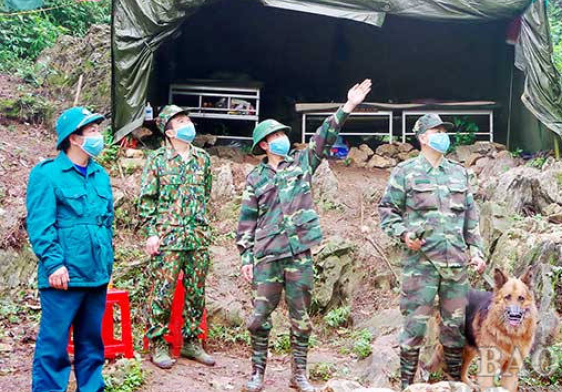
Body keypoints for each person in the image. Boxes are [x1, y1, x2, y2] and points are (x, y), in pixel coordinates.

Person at [236, 79, 372, 392]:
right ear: (264, 146)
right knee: (259, 318)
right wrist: (246, 256)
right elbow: (246, 220)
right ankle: (257, 374)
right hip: (268, 256)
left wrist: (348, 105)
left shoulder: (302, 163)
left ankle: (299, 375)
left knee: (301, 320)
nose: (282, 138)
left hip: (299, 255)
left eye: (283, 133)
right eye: (275, 136)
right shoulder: (255, 178)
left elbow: (325, 137)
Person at [377, 113, 486, 389]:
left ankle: (453, 382)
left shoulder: (459, 173)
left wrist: (476, 250)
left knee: (455, 328)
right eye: (436, 130)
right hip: (420, 264)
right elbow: (387, 210)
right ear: (423, 137)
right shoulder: (405, 172)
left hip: (456, 264)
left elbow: (470, 216)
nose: (443, 135)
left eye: (444, 130)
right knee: (414, 328)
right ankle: (406, 385)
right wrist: (404, 234)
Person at [26, 106, 114, 392]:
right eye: (92, 131)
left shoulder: (100, 174)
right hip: (62, 277)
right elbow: (40, 225)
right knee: (54, 345)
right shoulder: (48, 174)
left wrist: (106, 266)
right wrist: (53, 264)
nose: (98, 136)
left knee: (92, 344)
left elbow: (106, 223)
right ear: (74, 138)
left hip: (95, 275)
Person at [138, 105, 215, 369]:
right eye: (180, 121)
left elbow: (205, 194)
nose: (187, 124)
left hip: (197, 237)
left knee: (196, 292)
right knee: (163, 293)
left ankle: (192, 342)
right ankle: (159, 344)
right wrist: (152, 233)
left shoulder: (203, 159)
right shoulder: (157, 160)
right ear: (169, 132)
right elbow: (147, 201)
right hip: (167, 238)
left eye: (187, 119)